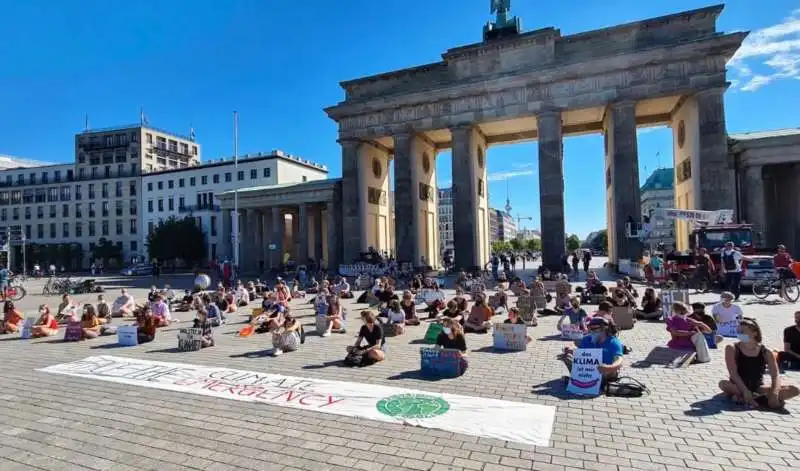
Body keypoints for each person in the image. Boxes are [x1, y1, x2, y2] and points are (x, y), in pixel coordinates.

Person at [719, 317, 799, 408]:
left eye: (743, 331)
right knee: (723, 384)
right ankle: (757, 399)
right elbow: (733, 373)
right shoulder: (732, 348)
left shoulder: (766, 351)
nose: (739, 334)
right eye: (738, 331)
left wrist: (774, 393)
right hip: (738, 385)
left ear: (754, 333)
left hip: (757, 387)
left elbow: (775, 375)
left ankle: (749, 399)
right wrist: (745, 390)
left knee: (794, 390)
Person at [561, 317, 624, 384]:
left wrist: (609, 367)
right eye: (590, 329)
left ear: (604, 329)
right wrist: (570, 350)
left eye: (594, 329)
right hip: (589, 370)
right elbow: (581, 354)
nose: (592, 332)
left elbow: (619, 360)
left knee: (612, 371)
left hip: (604, 372)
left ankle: (578, 380)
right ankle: (582, 379)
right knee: (567, 356)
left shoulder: (614, 342)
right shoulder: (586, 339)